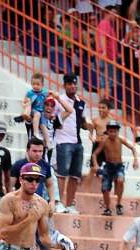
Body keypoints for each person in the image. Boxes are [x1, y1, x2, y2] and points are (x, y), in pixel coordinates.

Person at [54, 73, 90, 213]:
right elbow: (53, 119)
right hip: (62, 141)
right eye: (69, 84)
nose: (72, 86)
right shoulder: (58, 101)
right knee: (62, 174)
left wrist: (90, 127)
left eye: (74, 84)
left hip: (77, 142)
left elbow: (82, 123)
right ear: (64, 86)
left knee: (75, 176)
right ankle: (59, 203)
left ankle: (69, 205)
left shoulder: (81, 102)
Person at [92, 120, 139, 216]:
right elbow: (94, 154)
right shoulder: (104, 141)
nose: (113, 134)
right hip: (108, 167)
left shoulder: (120, 140)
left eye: (115, 131)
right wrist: (96, 165)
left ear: (118, 132)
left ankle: (118, 204)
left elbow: (133, 148)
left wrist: (135, 160)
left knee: (121, 180)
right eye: (111, 131)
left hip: (118, 166)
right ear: (107, 131)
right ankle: (108, 208)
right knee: (105, 189)